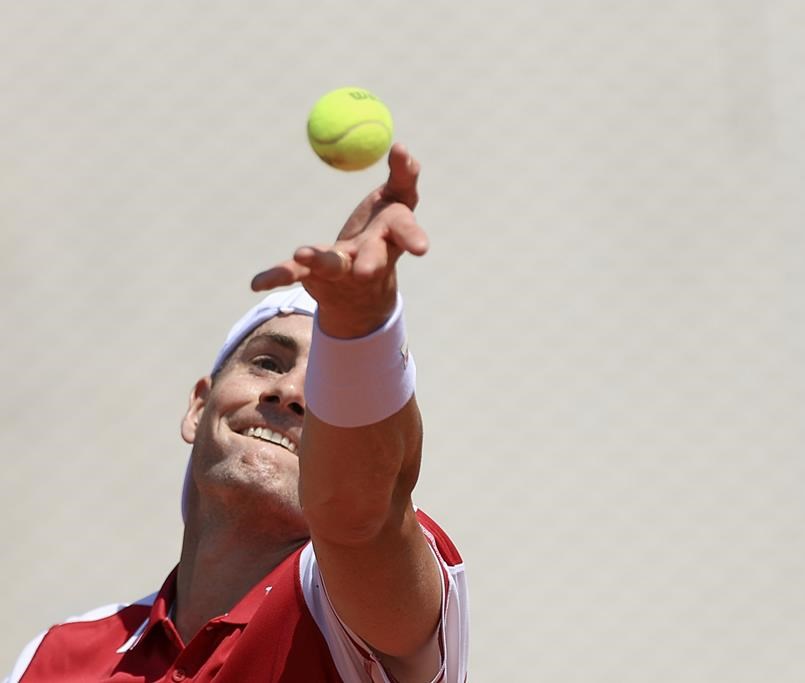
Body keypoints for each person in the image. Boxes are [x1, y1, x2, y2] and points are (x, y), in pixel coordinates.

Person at [5, 145, 469, 683]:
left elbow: (361, 513)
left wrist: (361, 325)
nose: (291, 392)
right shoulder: (57, 656)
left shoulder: (348, 619)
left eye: (326, 385)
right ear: (198, 406)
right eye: (268, 362)